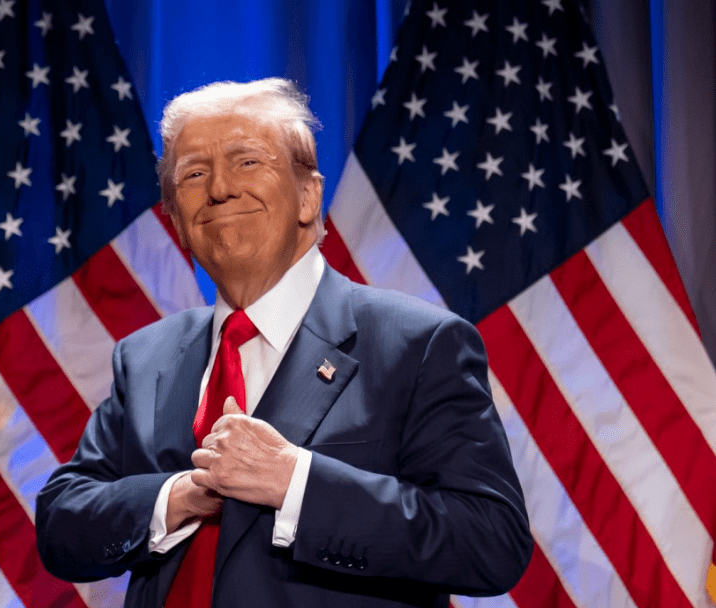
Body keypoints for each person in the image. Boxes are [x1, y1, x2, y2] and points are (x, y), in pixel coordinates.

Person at [35, 78, 533, 608]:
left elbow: (491, 540)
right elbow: (63, 523)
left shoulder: (418, 344)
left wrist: (296, 482)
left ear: (308, 195)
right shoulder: (145, 357)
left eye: (247, 162)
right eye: (195, 174)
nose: (220, 188)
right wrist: (177, 496)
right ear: (175, 219)